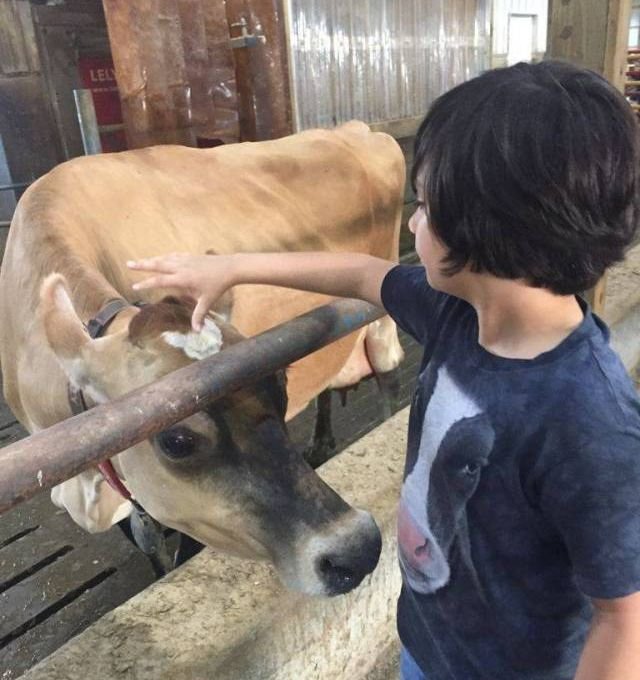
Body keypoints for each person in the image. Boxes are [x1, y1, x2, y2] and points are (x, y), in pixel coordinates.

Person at [127, 61, 640, 679]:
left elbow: (623, 618)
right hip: (427, 641)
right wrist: (233, 267)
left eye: (424, 206)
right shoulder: (459, 313)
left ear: (489, 228)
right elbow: (363, 274)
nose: (412, 222)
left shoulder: (589, 424)